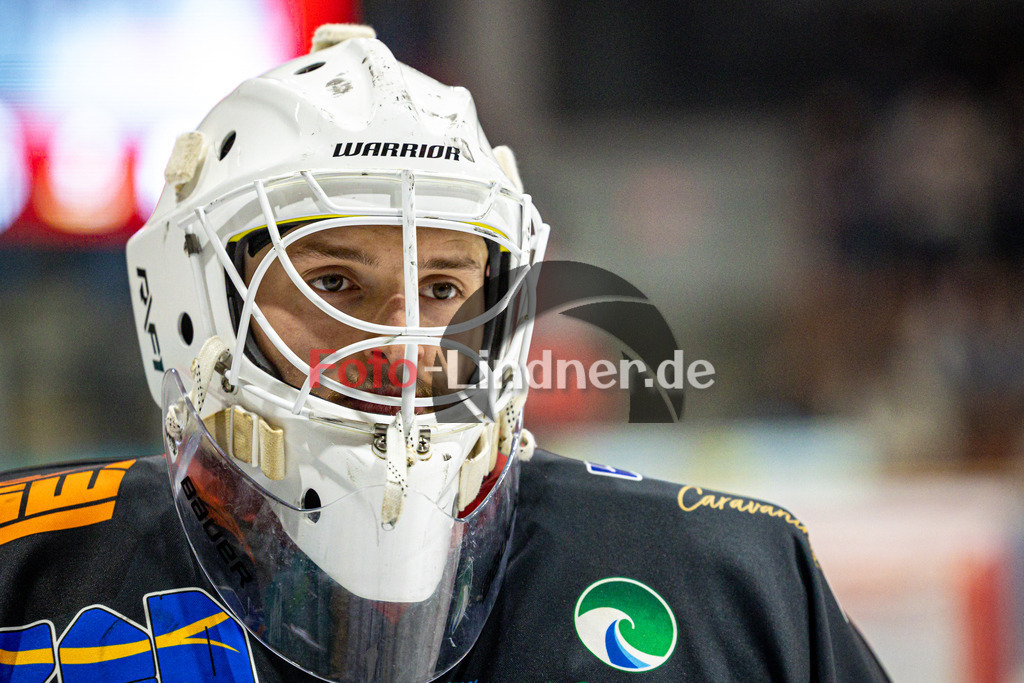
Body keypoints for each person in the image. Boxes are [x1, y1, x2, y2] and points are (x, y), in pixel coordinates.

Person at [0, 24, 889, 682]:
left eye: (444, 288)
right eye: (337, 284)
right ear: (189, 305)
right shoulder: (28, 577)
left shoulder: (737, 585)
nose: (407, 344)